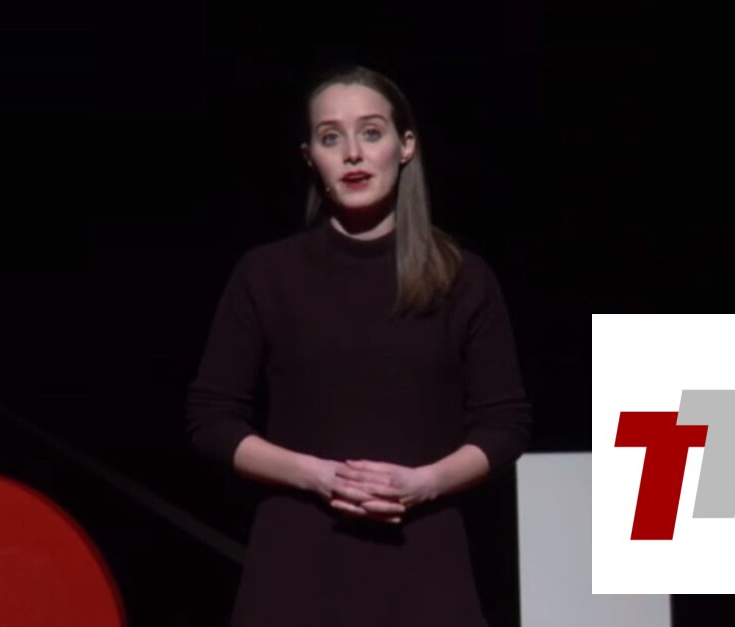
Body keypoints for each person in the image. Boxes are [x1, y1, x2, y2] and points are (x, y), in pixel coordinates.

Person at [185, 64, 531, 626]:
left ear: (405, 146)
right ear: (310, 158)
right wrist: (318, 476)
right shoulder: (267, 275)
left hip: (425, 564)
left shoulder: (462, 278)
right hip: (296, 565)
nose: (352, 153)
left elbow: (505, 425)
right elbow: (211, 418)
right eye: (331, 138)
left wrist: (423, 484)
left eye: (371, 132)